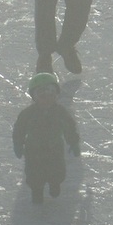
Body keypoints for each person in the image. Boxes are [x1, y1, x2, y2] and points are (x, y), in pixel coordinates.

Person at [12, 72, 81, 205]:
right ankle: (36, 191)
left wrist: (73, 142)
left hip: (54, 148)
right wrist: (18, 144)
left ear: (56, 95)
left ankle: (55, 183)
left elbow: (69, 127)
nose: (47, 99)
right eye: (42, 95)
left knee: (57, 171)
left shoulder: (60, 112)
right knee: (34, 174)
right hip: (33, 150)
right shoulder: (28, 114)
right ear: (34, 97)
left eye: (51, 94)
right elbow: (19, 129)